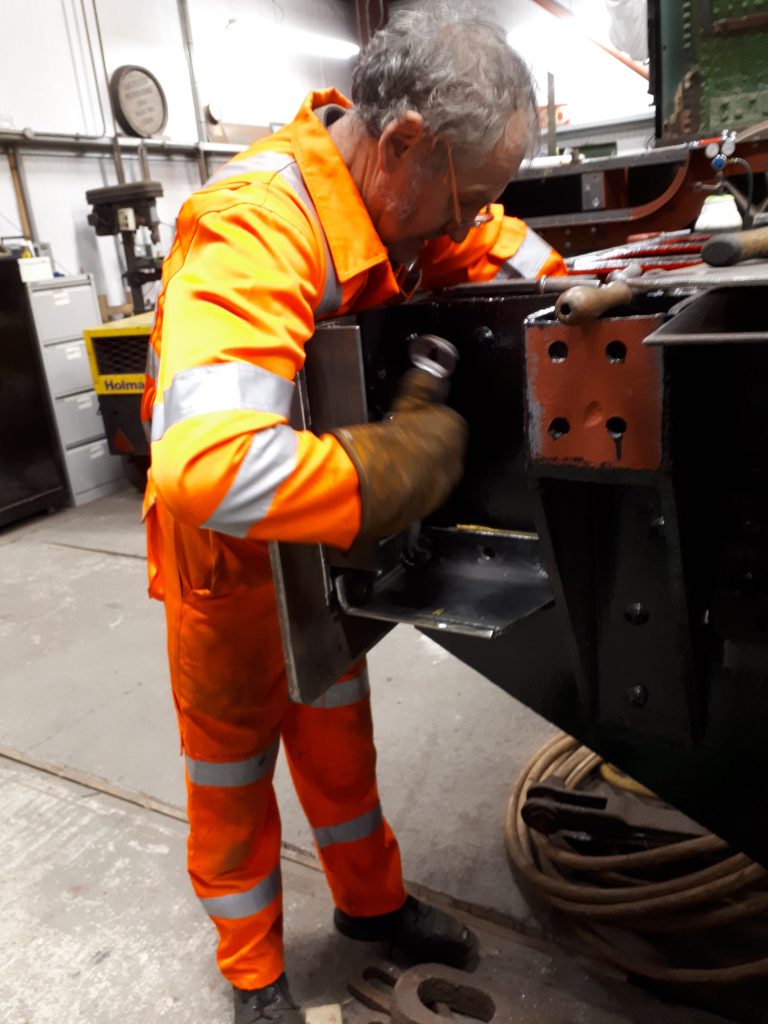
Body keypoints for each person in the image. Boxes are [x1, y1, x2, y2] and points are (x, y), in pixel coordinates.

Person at [140, 4, 566, 1022]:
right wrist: (384, 474)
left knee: (338, 739)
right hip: (231, 564)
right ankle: (253, 972)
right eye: (466, 195)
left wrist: (591, 293)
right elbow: (207, 465)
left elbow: (510, 256)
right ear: (405, 146)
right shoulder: (255, 225)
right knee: (232, 769)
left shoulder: (398, 203)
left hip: (319, 556)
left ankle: (370, 910)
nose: (468, 222)